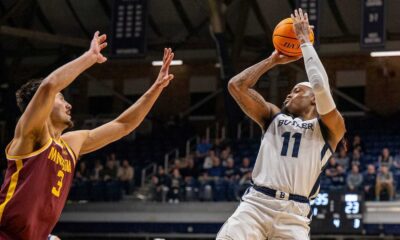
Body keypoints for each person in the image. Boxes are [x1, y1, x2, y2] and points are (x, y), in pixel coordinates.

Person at [0, 31, 175, 239]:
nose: (69, 104)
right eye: (62, 98)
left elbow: (123, 124)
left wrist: (156, 88)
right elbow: (48, 86)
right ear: (41, 105)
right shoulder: (31, 135)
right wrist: (89, 57)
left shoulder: (70, 144)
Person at [216, 9, 346, 240]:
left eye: (297, 91)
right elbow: (236, 86)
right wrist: (272, 60)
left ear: (313, 98)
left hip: (294, 215)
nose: (288, 95)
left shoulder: (330, 127)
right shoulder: (273, 117)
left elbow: (319, 85)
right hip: (255, 205)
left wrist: (305, 41)